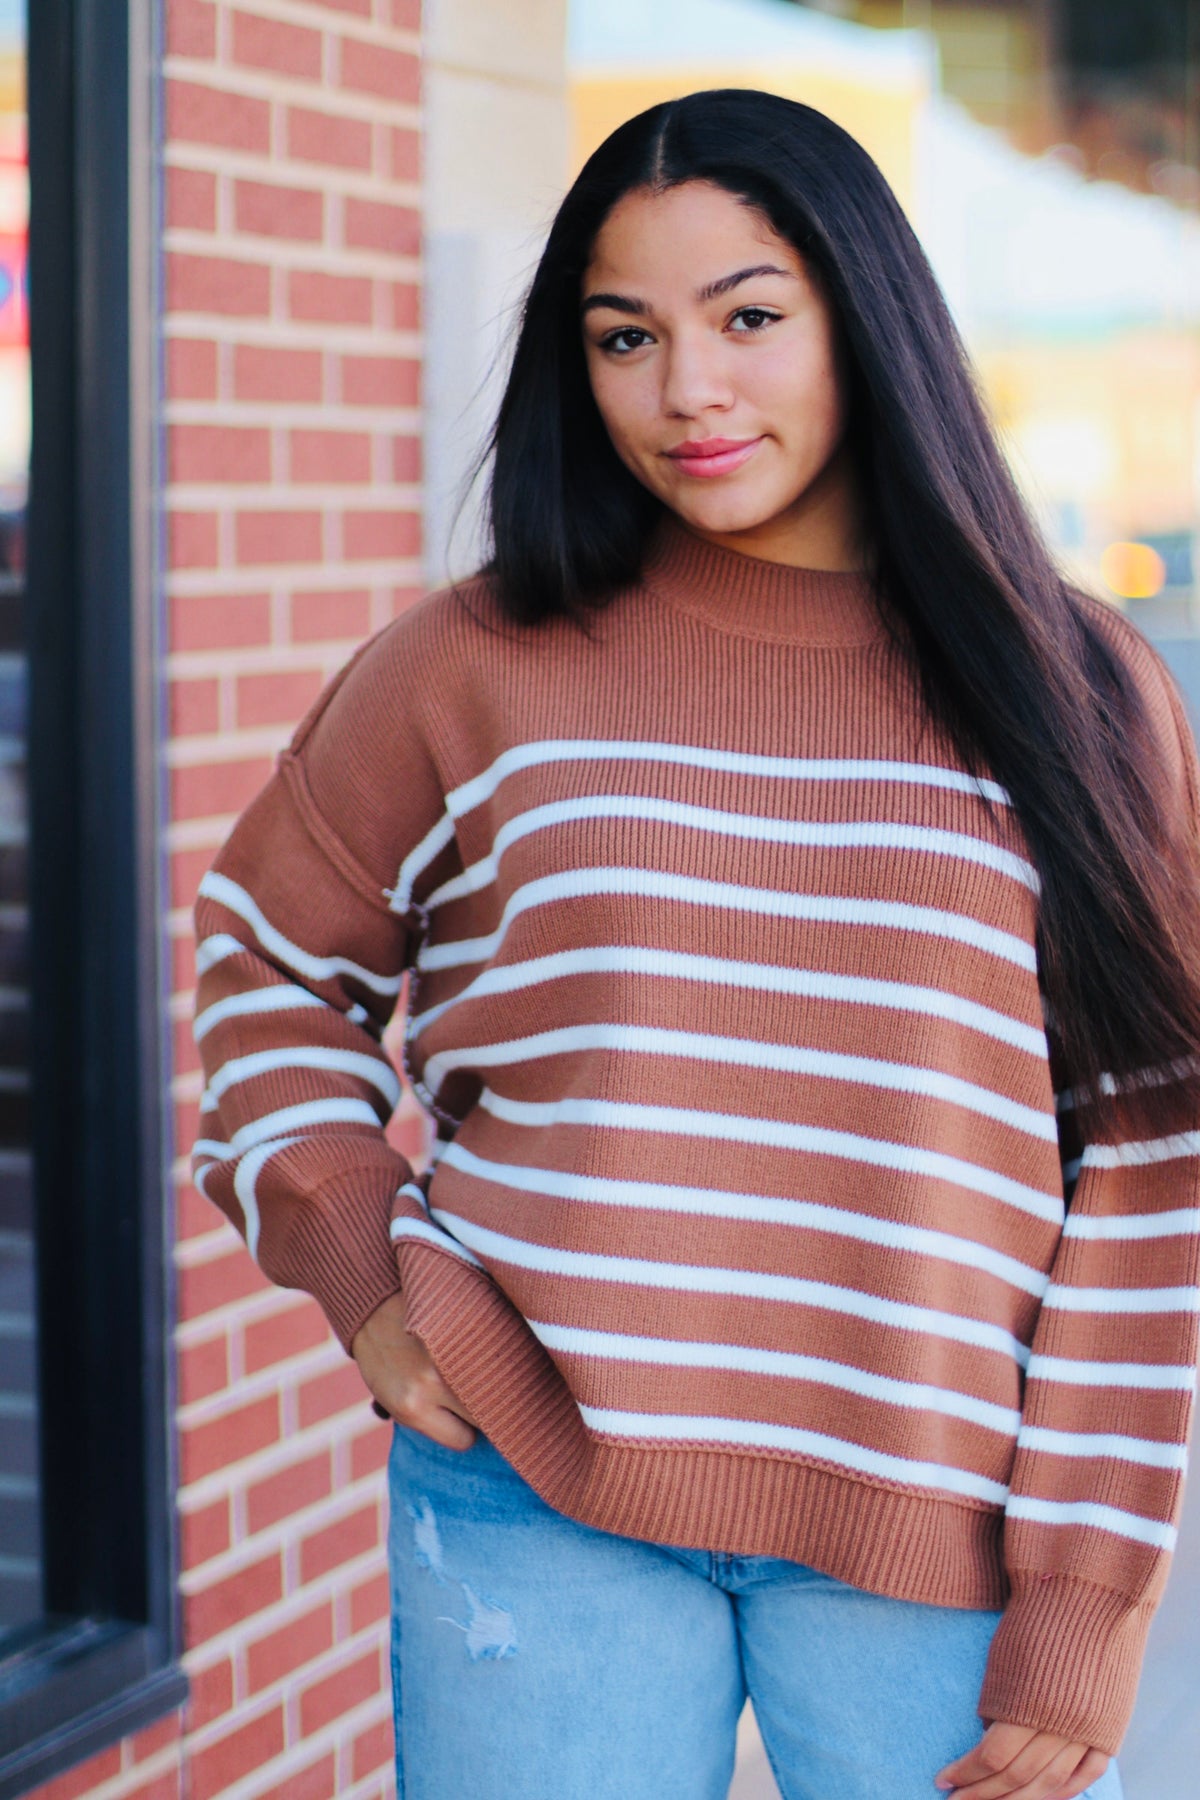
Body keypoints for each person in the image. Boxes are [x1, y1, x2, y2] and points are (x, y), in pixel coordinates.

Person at [191, 89, 1200, 1800]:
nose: (688, 392)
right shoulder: (474, 666)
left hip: (937, 1519)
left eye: (748, 316)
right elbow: (270, 963)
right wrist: (362, 1275)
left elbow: (1150, 1157)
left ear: (864, 318)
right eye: (624, 336)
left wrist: (1085, 1603)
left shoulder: (1074, 685)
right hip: (532, 1486)